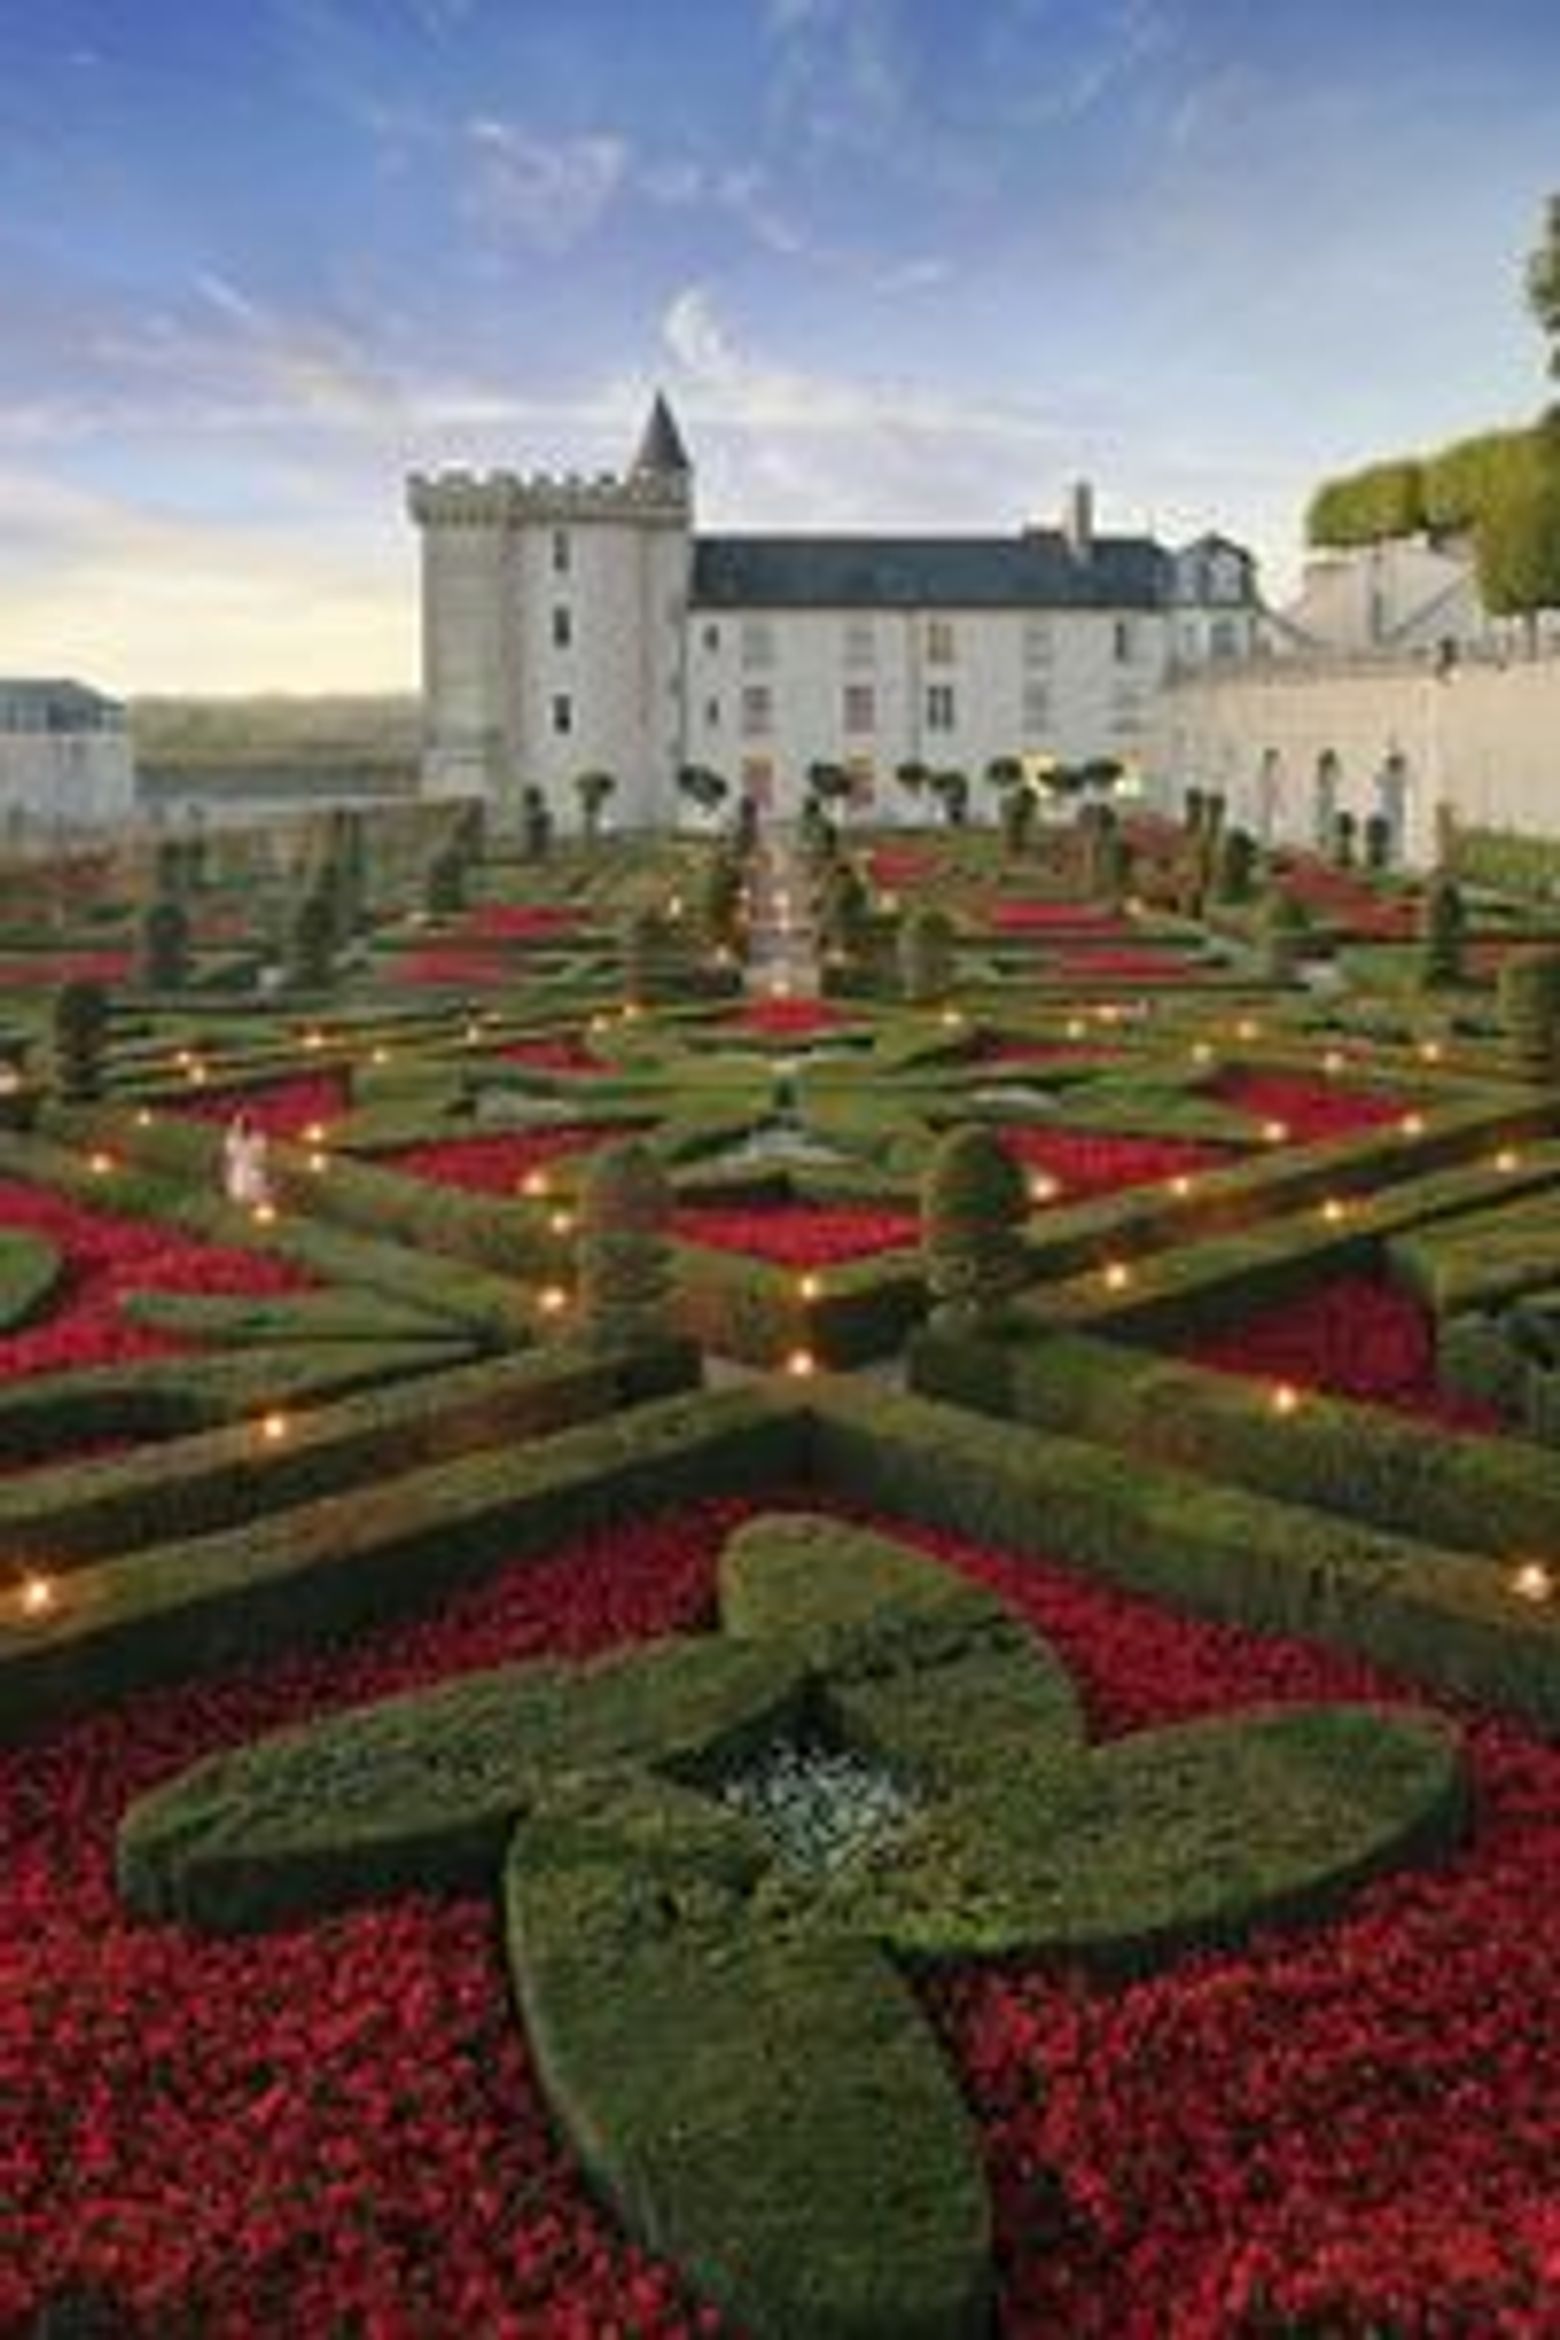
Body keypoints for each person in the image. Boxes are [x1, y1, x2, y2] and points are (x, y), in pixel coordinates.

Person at [222, 1110, 271, 1209]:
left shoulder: (257, 1139)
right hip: (243, 1170)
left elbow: (259, 1153)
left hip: (248, 1169)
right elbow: (231, 1151)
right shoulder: (234, 1140)